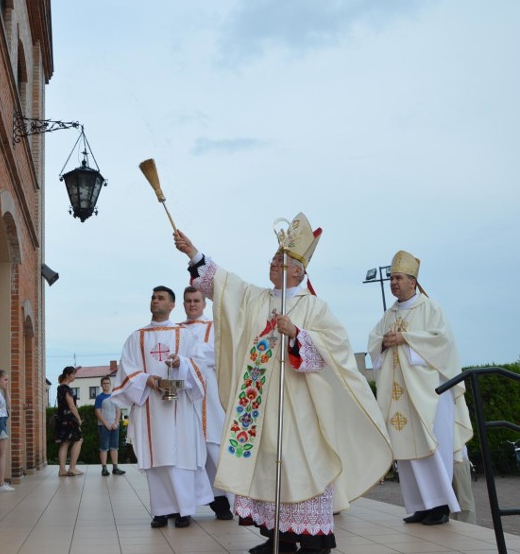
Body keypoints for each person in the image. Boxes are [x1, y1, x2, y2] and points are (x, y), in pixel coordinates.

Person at [174, 214, 392, 554]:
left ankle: (315, 540)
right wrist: (194, 254)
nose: (275, 264)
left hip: (300, 405)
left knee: (300, 463)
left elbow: (335, 351)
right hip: (260, 403)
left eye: (282, 261)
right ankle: (279, 537)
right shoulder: (256, 298)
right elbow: (223, 286)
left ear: (299, 271)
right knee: (269, 461)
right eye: (274, 259)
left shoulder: (315, 307)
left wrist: (297, 335)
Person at [368, 250, 473, 526]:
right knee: (407, 452)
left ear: (413, 281)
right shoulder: (389, 314)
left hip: (430, 395)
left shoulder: (430, 308)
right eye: (391, 278)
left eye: (398, 278)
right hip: (400, 393)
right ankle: (421, 505)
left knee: (431, 448)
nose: (393, 283)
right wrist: (384, 342)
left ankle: (440, 506)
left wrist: (405, 338)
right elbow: (374, 341)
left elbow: (443, 343)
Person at [109, 286, 213, 529]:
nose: (155, 301)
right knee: (157, 460)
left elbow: (200, 367)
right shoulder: (136, 337)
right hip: (150, 407)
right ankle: (161, 510)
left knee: (180, 458)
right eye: (153, 297)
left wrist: (181, 363)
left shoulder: (185, 335)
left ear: (172, 305)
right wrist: (149, 380)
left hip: (180, 410)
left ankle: (184, 511)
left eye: (161, 298)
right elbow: (127, 368)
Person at [180, 286, 233, 520]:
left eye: (196, 301)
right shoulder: (176, 329)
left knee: (215, 447)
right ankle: (183, 505)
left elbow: (219, 354)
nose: (192, 305)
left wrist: (188, 355)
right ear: (183, 304)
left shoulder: (214, 327)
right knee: (187, 450)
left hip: (210, 396)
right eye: (188, 301)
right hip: (183, 397)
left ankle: (222, 500)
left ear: (204, 303)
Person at [94, 376, 126, 476]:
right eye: (104, 383)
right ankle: (104, 469)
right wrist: (106, 424)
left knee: (114, 447)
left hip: (115, 426)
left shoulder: (115, 396)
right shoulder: (99, 397)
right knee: (104, 447)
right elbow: (97, 412)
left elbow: (118, 410)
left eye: (108, 383)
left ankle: (115, 468)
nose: (106, 385)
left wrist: (116, 423)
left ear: (110, 384)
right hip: (103, 426)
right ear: (101, 385)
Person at [55, 366, 84, 477]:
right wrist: (79, 419)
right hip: (69, 419)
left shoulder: (59, 388)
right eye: (73, 374)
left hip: (61, 418)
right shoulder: (66, 389)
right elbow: (72, 406)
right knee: (79, 439)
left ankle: (62, 470)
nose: (74, 377)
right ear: (67, 375)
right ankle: (72, 467)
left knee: (64, 443)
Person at [0, 368, 14, 492]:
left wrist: (6, 389)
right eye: (5, 379)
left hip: (2, 421)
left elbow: (9, 405)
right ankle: (0, 483)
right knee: (2, 455)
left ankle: (0, 482)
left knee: (1, 455)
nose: (7, 382)